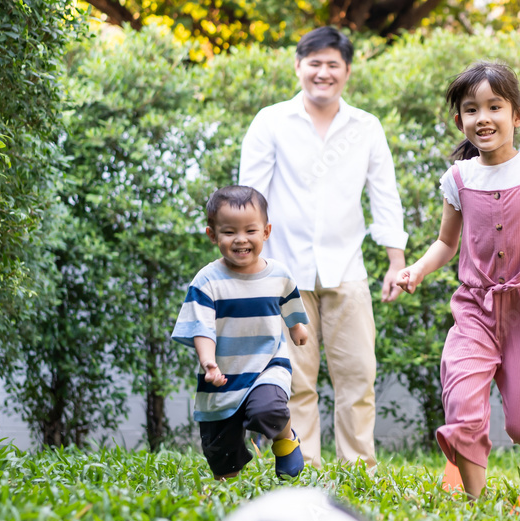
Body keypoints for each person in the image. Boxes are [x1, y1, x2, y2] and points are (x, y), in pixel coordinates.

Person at [396, 62, 520, 499]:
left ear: (517, 115)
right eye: (471, 110)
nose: (482, 117)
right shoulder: (458, 179)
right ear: (459, 120)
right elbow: (446, 244)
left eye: (494, 107)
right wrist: (417, 269)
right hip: (475, 309)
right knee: (462, 401)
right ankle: (476, 502)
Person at [238, 26, 408, 470]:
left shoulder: (366, 127)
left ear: (347, 71)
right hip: (283, 272)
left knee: (358, 377)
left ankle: (359, 469)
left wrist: (396, 261)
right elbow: (250, 198)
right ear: (298, 66)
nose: (323, 72)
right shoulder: (271, 121)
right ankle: (302, 468)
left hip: (347, 270)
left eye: (333, 64)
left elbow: (384, 195)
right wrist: (249, 266)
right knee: (295, 381)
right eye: (314, 63)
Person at [172, 185, 310, 480]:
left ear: (266, 232)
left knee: (268, 409)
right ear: (212, 234)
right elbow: (202, 326)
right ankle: (227, 492)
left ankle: (285, 438)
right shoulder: (207, 281)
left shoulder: (279, 274)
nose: (240, 240)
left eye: (250, 230)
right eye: (229, 232)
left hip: (267, 365)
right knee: (222, 454)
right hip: (223, 374)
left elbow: (288, 300)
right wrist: (208, 362)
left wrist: (296, 327)